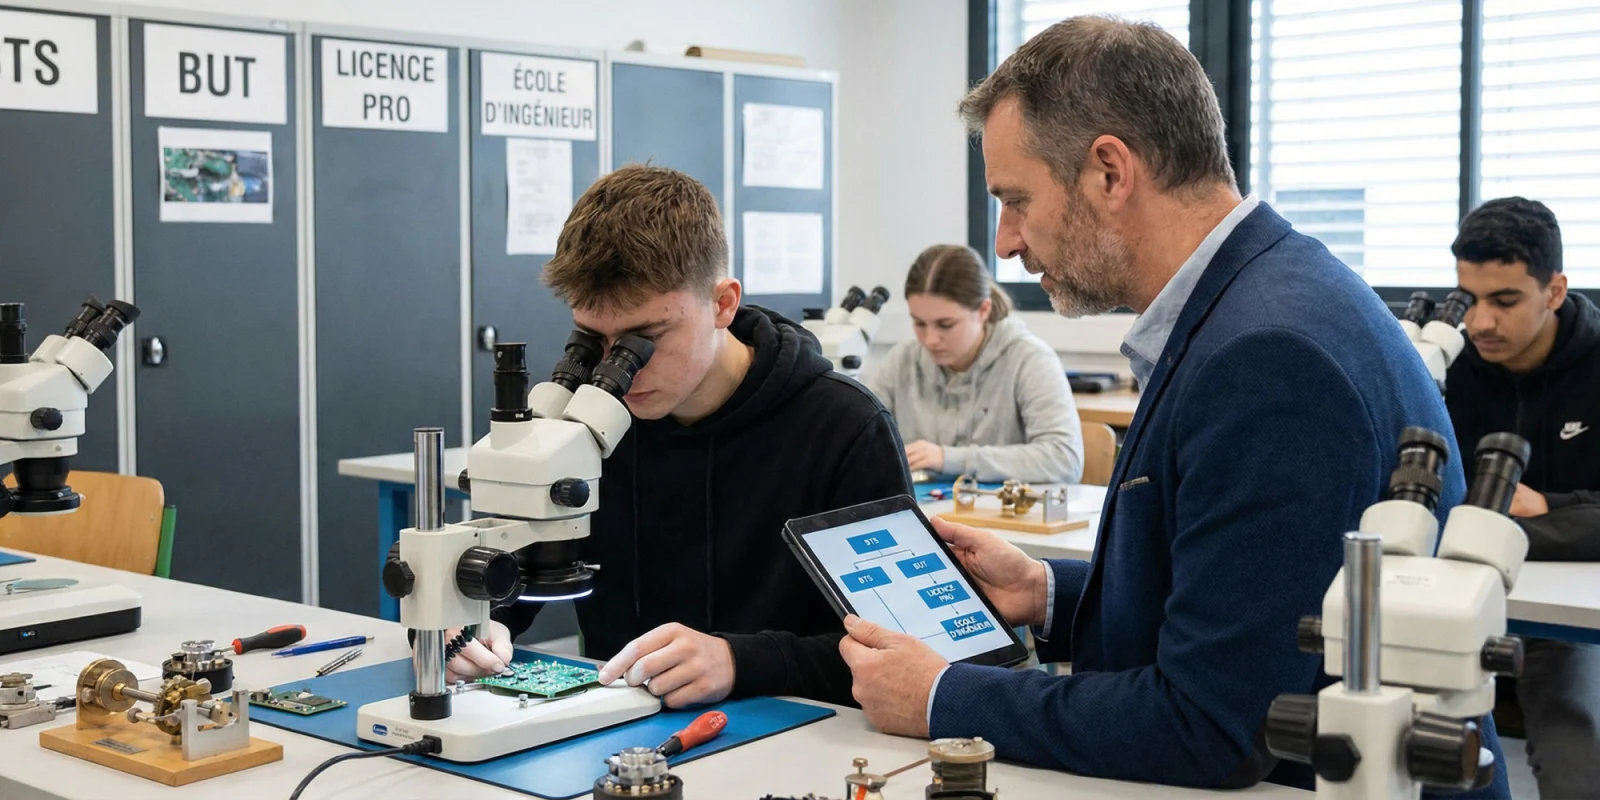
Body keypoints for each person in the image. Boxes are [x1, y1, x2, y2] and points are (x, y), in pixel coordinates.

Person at [837, 16, 1509, 796]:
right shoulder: (1265, 295)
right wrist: (1050, 591)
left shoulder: (1266, 357)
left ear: (1111, 173)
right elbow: (1252, 609)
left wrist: (941, 696)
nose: (1008, 242)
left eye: (1016, 200)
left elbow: (1209, 725)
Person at [432, 164, 912, 708]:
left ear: (723, 304)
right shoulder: (580, 427)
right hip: (615, 731)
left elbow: (903, 651)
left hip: (795, 734)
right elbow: (511, 578)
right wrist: (469, 626)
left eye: (645, 338)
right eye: (594, 340)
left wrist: (739, 661)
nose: (618, 367)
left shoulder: (844, 428)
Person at [1446, 196, 1600, 799]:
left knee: (1575, 756)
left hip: (1557, 618)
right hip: (1452, 590)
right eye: (1470, 299)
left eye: (1504, 300)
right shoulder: (1446, 362)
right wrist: (1572, 512)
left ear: (1555, 291)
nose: (1480, 322)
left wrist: (1545, 506)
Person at [865, 244, 1083, 484]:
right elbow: (859, 443)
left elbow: (1064, 460)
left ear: (983, 310)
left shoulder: (1030, 359)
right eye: (919, 323)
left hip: (1000, 518)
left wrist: (946, 458)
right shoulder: (901, 361)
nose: (930, 339)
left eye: (945, 325)